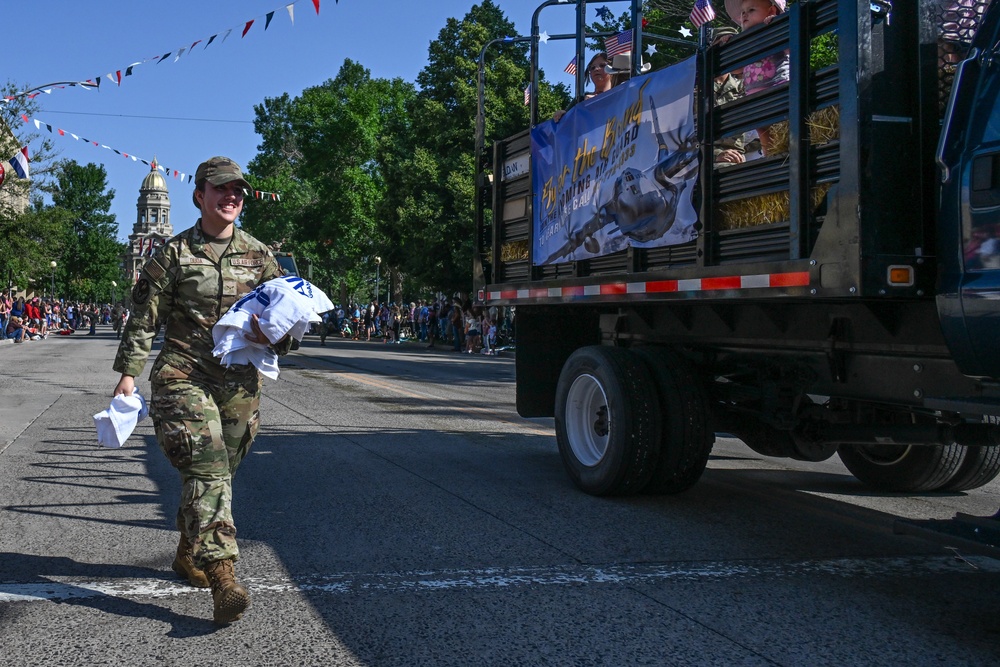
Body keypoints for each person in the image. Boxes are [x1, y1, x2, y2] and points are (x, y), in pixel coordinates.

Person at [111, 156, 291, 625]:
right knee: (207, 461)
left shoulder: (260, 256)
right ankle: (223, 572)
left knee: (219, 469)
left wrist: (274, 334)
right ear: (200, 196)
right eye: (222, 189)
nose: (232, 196)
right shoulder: (172, 254)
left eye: (238, 191)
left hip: (238, 381)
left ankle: (188, 550)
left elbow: (288, 322)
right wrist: (129, 373)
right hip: (182, 375)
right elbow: (143, 318)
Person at [726, 0, 789, 155]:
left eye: (751, 9)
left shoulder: (776, 29)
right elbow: (735, 69)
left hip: (778, 89)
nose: (745, 14)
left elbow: (791, 48)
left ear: (771, 11)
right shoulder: (745, 42)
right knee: (765, 137)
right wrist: (727, 46)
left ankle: (787, 161)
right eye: (742, 12)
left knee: (785, 132)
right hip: (755, 98)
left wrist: (778, 25)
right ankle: (771, 164)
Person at [552, 52, 629, 122]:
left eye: (602, 65)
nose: (596, 69)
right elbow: (565, 124)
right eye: (592, 68)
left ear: (612, 70)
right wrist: (561, 114)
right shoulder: (581, 98)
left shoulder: (621, 95)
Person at [710, 25, 746, 166]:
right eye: (720, 45)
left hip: (737, 156)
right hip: (702, 156)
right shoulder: (695, 86)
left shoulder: (744, 85)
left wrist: (739, 154)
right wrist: (716, 154)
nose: (726, 50)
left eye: (732, 45)